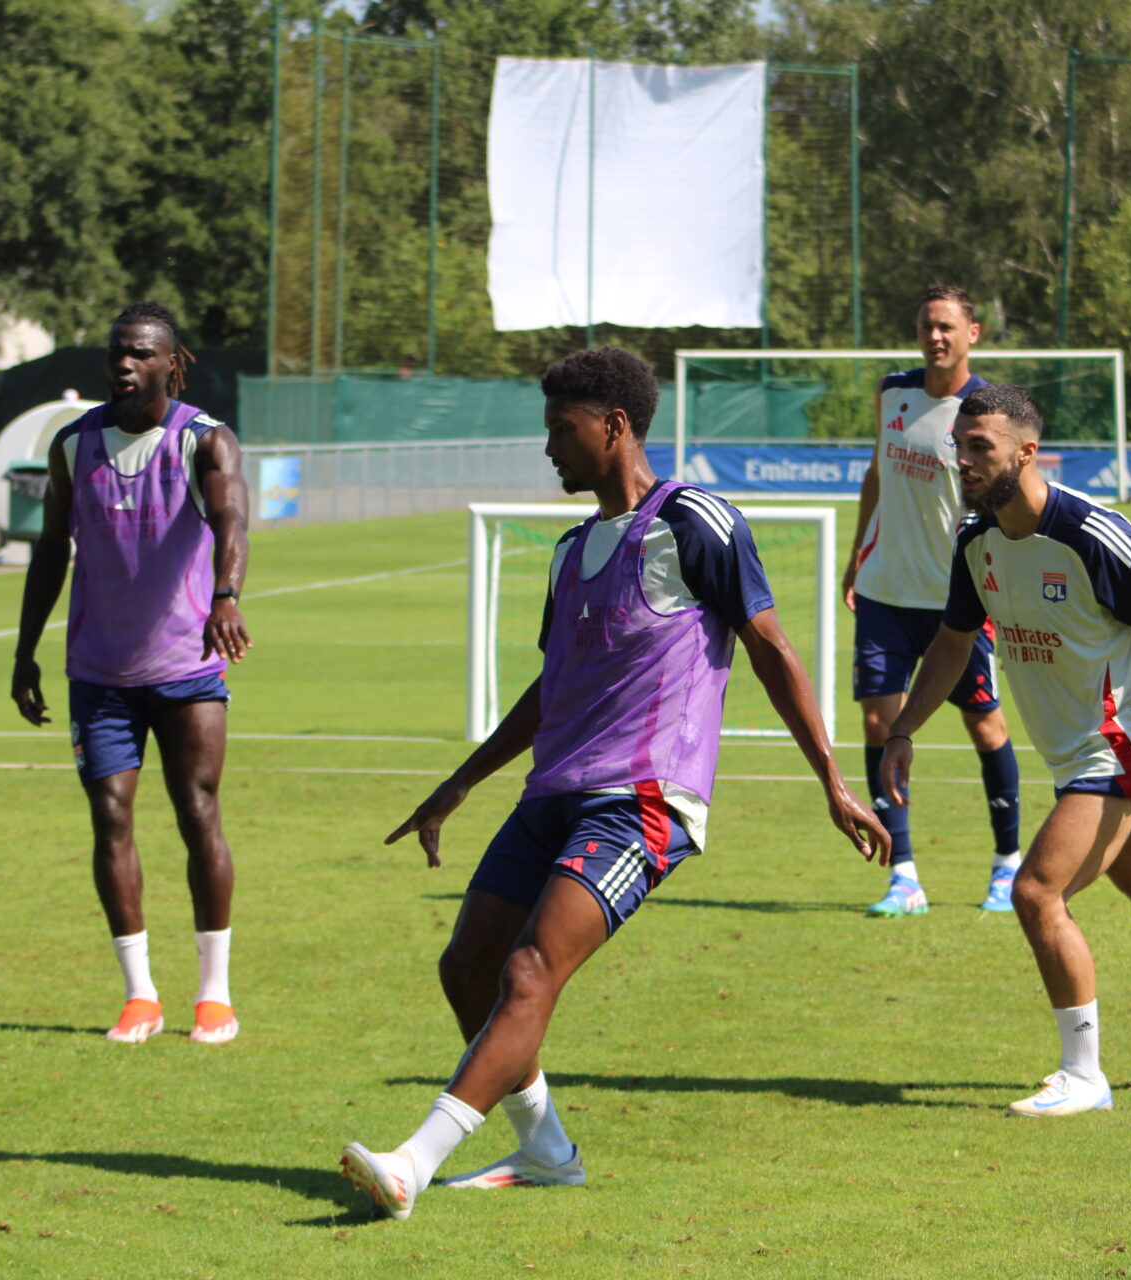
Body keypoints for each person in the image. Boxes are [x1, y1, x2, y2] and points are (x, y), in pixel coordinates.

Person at [341, 347, 889, 1220]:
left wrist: (832, 780)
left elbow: (774, 650)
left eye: (562, 428)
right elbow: (548, 689)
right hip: (550, 792)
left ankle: (411, 1162)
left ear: (616, 425)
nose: (550, 446)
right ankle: (548, 1151)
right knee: (467, 968)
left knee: (529, 971)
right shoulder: (567, 551)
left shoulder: (697, 523)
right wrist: (457, 785)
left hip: (645, 800)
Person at [883, 382, 1131, 1114]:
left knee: (1036, 892)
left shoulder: (1090, 534)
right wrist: (903, 729)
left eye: (981, 448)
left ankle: (1082, 1076)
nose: (964, 462)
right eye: (959, 446)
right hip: (1075, 757)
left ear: (1026, 453)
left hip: (1121, 747)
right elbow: (952, 643)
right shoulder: (976, 543)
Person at [10, 301, 252, 1047]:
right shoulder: (73, 445)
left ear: (170, 364)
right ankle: (140, 994)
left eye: (141, 353)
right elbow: (51, 549)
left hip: (186, 666)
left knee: (197, 813)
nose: (124, 363)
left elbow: (232, 519)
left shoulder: (203, 440)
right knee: (110, 817)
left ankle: (214, 994)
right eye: (117, 351)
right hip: (99, 671)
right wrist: (25, 651)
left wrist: (226, 595)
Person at [843, 284, 1023, 917]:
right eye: (926, 326)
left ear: (973, 332)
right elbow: (875, 474)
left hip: (958, 598)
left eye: (947, 326)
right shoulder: (893, 391)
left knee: (986, 726)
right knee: (878, 724)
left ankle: (1007, 866)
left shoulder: (986, 412)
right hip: (884, 591)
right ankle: (904, 875)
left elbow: (1007, 505)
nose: (935, 336)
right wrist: (855, 555)